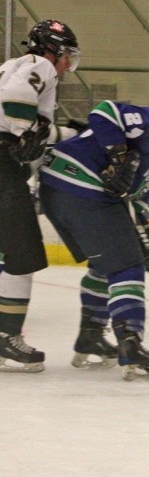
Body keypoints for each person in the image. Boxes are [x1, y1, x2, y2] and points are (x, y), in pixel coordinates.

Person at [38, 99, 149, 379]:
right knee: (127, 266)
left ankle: (90, 336)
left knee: (106, 264)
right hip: (78, 184)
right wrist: (119, 157)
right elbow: (104, 112)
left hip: (61, 190)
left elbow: (134, 205)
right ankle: (131, 344)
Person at [0, 19, 83, 372]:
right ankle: (6, 339)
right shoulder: (41, 66)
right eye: (67, 56)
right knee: (23, 252)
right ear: (55, 51)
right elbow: (14, 101)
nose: (67, 64)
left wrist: (67, 132)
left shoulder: (12, 65)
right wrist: (24, 131)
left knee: (9, 250)